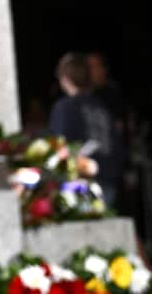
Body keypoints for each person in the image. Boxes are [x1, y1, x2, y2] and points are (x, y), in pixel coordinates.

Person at [49, 52, 121, 206]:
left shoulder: (65, 108)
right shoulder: (102, 107)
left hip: (80, 183)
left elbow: (62, 147)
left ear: (65, 79)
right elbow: (116, 143)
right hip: (108, 180)